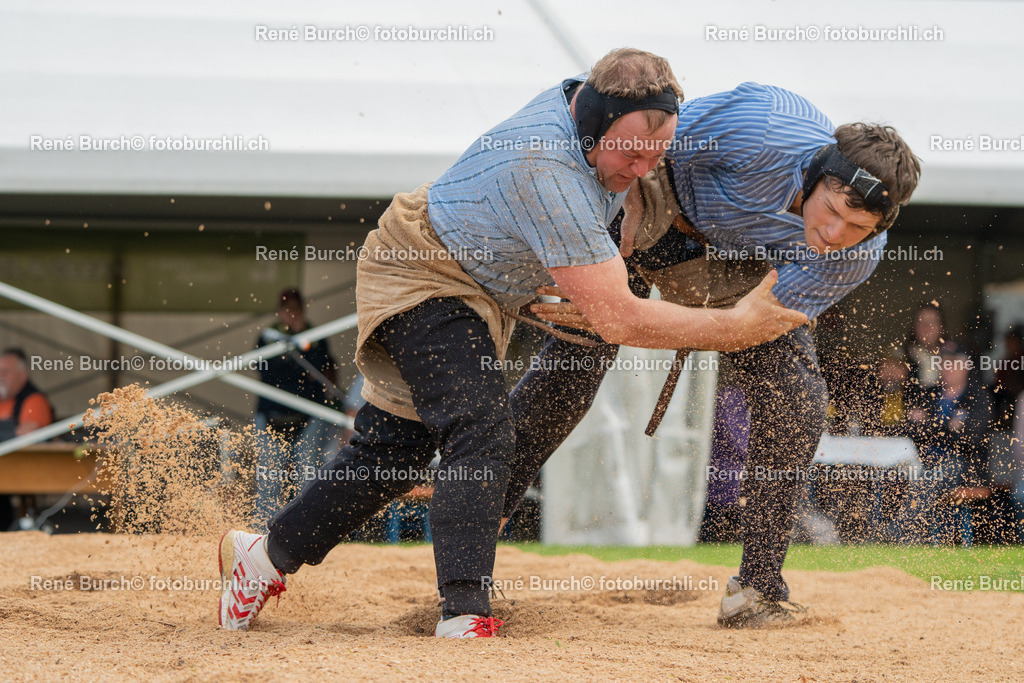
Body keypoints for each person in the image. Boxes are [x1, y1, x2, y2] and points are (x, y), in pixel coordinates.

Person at [217, 49, 805, 638]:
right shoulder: (543, 165)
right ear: (591, 119)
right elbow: (622, 322)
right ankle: (464, 613)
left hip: (479, 289)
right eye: (631, 153)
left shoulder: (599, 115)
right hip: (422, 270)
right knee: (481, 424)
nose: (640, 170)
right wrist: (739, 324)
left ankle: (262, 557)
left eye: (656, 156)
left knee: (390, 453)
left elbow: (614, 214)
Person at [502, 82, 921, 627]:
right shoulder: (762, 125)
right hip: (653, 198)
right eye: (833, 210)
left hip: (737, 268)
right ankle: (468, 564)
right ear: (819, 173)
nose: (833, 233)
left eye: (858, 227)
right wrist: (602, 271)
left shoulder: (855, 255)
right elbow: (640, 150)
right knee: (570, 374)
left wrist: (628, 320)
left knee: (798, 401)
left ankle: (756, 591)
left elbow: (749, 326)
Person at [252, 289, 342, 528]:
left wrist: (301, 337)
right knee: (268, 480)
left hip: (307, 416)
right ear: (279, 311)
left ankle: (307, 530)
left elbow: (324, 370)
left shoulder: (317, 335)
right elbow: (267, 370)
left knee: (308, 476)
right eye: (286, 309)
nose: (291, 314)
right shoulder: (268, 335)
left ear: (303, 310)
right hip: (270, 416)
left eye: (295, 309)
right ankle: (261, 532)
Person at [0, 348, 55, 530]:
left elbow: (29, 434)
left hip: (20, 470)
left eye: (6, 371)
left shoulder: (33, 399)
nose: (0, 376)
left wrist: (12, 431)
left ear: (23, 374)